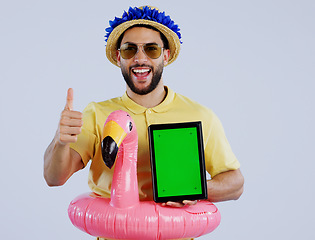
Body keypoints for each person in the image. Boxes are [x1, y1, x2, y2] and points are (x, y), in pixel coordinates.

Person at [44, 6, 244, 239]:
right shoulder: (97, 113)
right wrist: (60, 140)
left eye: (151, 49)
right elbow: (54, 178)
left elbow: (236, 184)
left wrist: (196, 190)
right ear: (119, 57)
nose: (140, 58)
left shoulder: (200, 115)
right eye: (130, 50)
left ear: (165, 55)